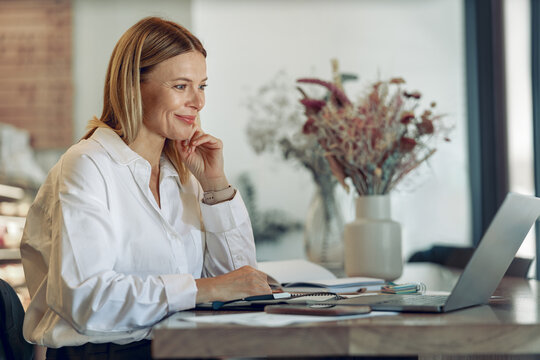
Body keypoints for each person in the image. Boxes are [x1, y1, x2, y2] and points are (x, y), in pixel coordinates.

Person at [20, 16, 271, 359]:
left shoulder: (183, 172)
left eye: (203, 86)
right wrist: (204, 289)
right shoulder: (87, 166)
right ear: (133, 86)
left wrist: (215, 186)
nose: (198, 102)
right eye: (181, 86)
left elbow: (240, 285)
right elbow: (85, 299)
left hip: (182, 348)